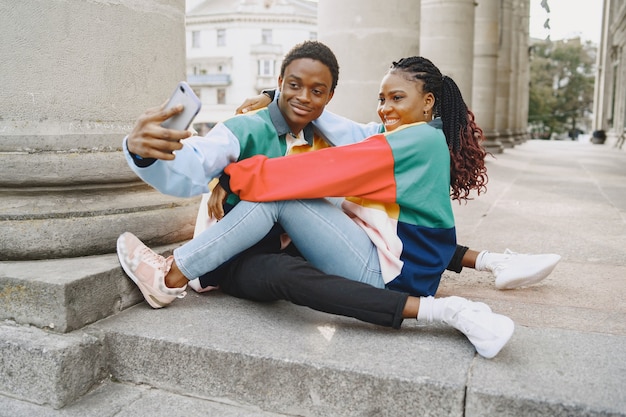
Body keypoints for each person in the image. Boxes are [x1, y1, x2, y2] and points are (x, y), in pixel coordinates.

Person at [117, 42, 515, 358]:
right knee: (287, 222)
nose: (385, 108)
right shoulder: (247, 127)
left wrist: (234, 177)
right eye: (293, 86)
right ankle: (189, 271)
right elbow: (197, 161)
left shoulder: (404, 139)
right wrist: (142, 152)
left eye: (317, 91)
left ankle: (171, 275)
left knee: (284, 200)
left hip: (386, 271)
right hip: (381, 264)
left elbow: (332, 162)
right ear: (280, 82)